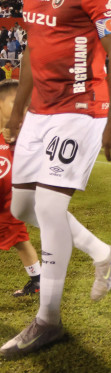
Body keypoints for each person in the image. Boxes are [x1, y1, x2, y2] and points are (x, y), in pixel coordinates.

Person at [1, 0, 111, 357]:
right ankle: (104, 253)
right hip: (39, 111)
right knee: (22, 208)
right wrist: (18, 112)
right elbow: (32, 52)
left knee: (50, 206)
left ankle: (48, 320)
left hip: (81, 109)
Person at [0, 80, 41, 297]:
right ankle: (38, 280)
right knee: (20, 240)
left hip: (10, 202)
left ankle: (38, 280)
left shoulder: (22, 135)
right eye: (16, 103)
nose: (22, 109)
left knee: (19, 239)